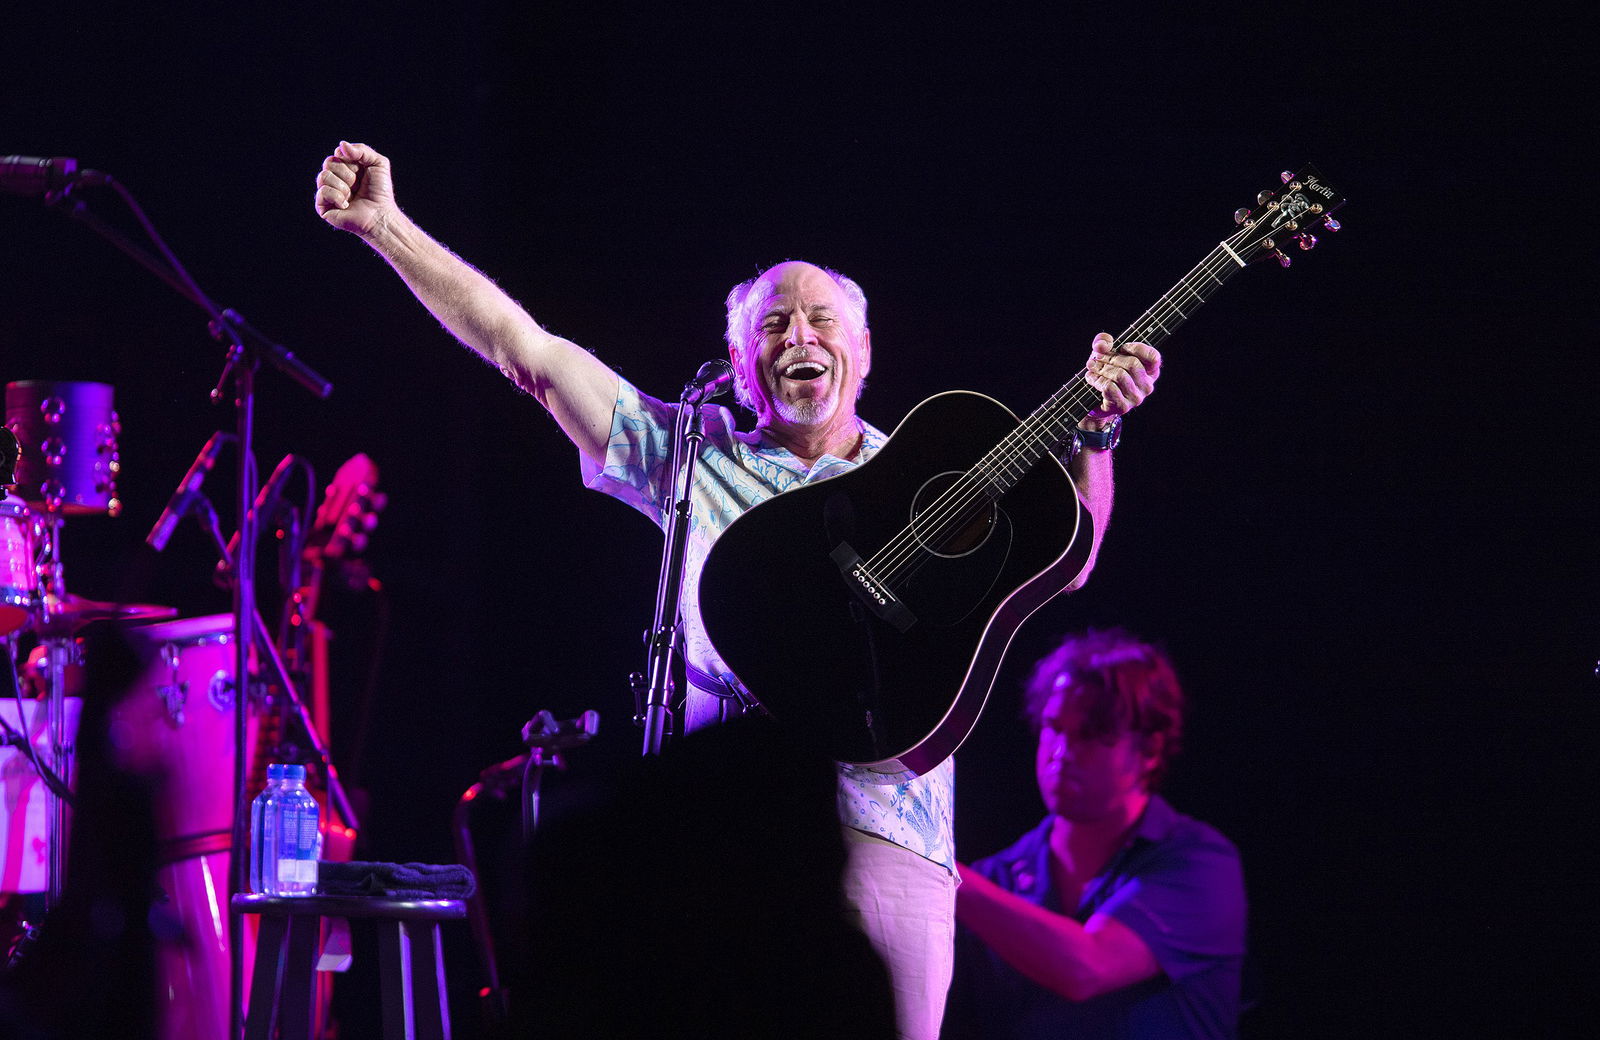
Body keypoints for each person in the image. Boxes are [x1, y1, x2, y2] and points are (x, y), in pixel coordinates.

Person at [313, 140, 1163, 1039]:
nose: (800, 336)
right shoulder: (693, 459)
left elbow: (1069, 556)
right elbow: (528, 352)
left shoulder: (927, 477)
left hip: (886, 841)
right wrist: (386, 227)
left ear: (864, 350)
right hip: (710, 852)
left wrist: (1096, 437)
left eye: (823, 319)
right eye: (774, 323)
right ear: (736, 357)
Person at [944, 627, 1248, 1039]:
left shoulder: (1201, 864)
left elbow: (1086, 968)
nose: (1062, 753)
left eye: (1091, 734)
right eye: (1054, 726)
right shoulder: (997, 877)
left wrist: (937, 874)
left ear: (1150, 748)